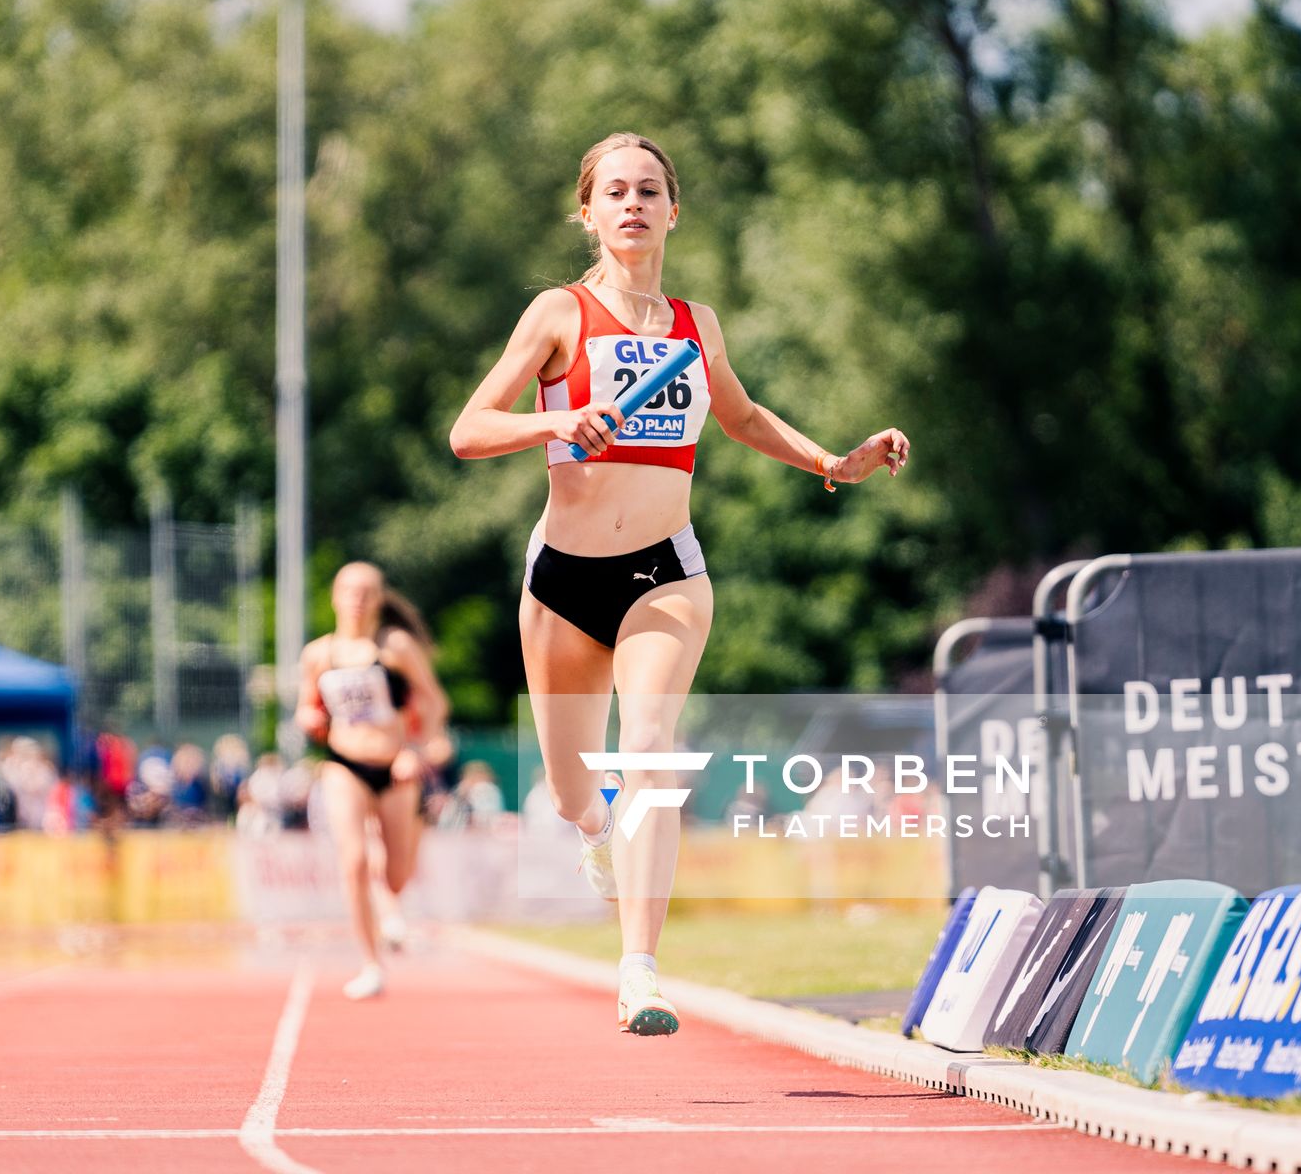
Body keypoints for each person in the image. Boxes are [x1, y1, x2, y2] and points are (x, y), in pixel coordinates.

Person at [449, 132, 909, 1035]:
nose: (632, 204)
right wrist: (560, 423)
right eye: (614, 191)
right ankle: (595, 830)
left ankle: (640, 972)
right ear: (587, 213)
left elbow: (738, 416)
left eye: (648, 190)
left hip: (665, 573)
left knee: (651, 747)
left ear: (672, 209)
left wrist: (831, 461)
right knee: (578, 790)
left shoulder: (699, 328)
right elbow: (468, 429)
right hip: (563, 585)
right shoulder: (559, 314)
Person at [294, 562, 449, 1000]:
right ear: (335, 596)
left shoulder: (395, 647)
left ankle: (391, 900)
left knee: (397, 876)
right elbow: (308, 705)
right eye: (350, 590)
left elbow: (434, 702)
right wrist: (308, 717)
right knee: (354, 860)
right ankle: (369, 963)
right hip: (344, 763)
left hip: (396, 766)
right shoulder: (319, 654)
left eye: (367, 592)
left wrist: (417, 751)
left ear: (379, 599)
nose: (357, 599)